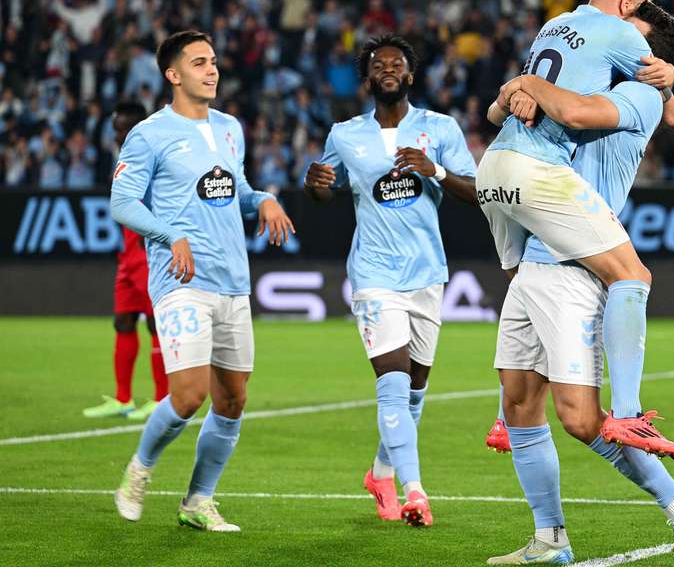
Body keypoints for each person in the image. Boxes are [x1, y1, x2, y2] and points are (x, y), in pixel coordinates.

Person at [484, 3, 674, 567]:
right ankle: (550, 537)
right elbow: (523, 106)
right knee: (518, 407)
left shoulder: (638, 96)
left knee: (582, 420)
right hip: (537, 258)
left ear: (651, 59)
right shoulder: (594, 78)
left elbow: (580, 111)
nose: (603, 43)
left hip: (579, 268)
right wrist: (518, 93)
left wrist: (524, 81)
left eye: (625, 38)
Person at [479, 0, 674, 458]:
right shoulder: (615, 44)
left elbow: (558, 110)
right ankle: (630, 415)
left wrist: (521, 85)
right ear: (626, 4)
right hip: (554, 202)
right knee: (630, 277)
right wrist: (521, 88)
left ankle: (510, 412)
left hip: (515, 182)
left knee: (522, 287)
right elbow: (568, 107)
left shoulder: (573, 42)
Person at [110, 30, 295, 532]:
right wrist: (171, 235)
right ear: (173, 75)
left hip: (232, 280)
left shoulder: (230, 127)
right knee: (189, 394)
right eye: (198, 63)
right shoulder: (149, 133)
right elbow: (122, 203)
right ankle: (140, 468)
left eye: (213, 61)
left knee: (233, 400)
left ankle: (198, 500)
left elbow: (233, 190)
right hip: (181, 278)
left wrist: (264, 200)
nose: (211, 70)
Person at [304, 34, 477, 527]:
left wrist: (436, 170)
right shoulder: (344, 134)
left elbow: (477, 190)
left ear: (410, 76)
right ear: (367, 78)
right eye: (378, 64)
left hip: (426, 272)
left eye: (396, 64)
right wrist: (313, 186)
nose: (387, 69)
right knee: (394, 384)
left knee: (416, 389)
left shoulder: (440, 128)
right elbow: (323, 186)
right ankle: (414, 491)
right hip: (374, 273)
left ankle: (380, 472)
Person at [83, 102, 168, 422]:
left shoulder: (152, 157)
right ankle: (123, 399)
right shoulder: (126, 158)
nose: (117, 134)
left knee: (155, 324)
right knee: (123, 321)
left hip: (147, 252)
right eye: (115, 128)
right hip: (127, 252)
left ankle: (162, 399)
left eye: (122, 128)